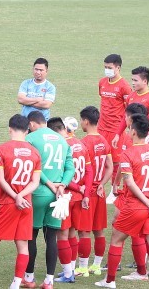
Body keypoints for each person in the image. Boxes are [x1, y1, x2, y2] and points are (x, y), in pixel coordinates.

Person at [95, 114, 149, 289]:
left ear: (134, 132)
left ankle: (109, 281)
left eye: (129, 128)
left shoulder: (128, 154)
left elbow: (129, 182)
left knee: (116, 240)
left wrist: (146, 202)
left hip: (135, 206)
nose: (128, 131)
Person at [0, 114, 42, 289]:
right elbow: (35, 182)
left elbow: (0, 179)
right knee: (22, 245)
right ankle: (15, 284)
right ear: (27, 129)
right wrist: (22, 196)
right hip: (26, 204)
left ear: (9, 129)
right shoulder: (34, 152)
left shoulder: (1, 150)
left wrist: (15, 196)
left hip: (7, 203)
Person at [24, 111, 75, 289]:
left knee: (31, 235)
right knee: (51, 237)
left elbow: (32, 167)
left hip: (38, 192)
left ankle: (29, 278)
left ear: (31, 124)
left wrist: (49, 183)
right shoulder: (63, 140)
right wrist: (62, 185)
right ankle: (49, 281)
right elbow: (70, 168)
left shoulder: (31, 138)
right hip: (58, 195)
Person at [51, 117, 93, 284]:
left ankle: (68, 273)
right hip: (79, 197)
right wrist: (86, 193)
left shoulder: (61, 146)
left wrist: (77, 188)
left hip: (66, 196)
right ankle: (72, 269)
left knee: (62, 235)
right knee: (72, 233)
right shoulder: (81, 144)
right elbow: (89, 171)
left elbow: (63, 174)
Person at [76, 106, 113, 277]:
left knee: (84, 230)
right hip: (100, 192)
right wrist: (102, 184)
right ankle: (97, 266)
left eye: (81, 120)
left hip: (88, 192)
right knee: (98, 230)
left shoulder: (84, 143)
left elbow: (82, 169)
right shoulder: (104, 141)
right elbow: (110, 167)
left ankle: (83, 267)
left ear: (86, 121)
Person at [97, 54, 132, 197]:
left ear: (118, 68)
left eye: (109, 68)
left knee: (116, 161)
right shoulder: (102, 82)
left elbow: (128, 108)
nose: (107, 70)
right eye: (105, 67)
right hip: (101, 127)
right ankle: (98, 185)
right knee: (100, 157)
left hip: (116, 129)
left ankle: (114, 189)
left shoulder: (124, 86)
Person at [112, 66, 149, 148]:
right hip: (132, 136)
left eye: (135, 80)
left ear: (145, 81)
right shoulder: (130, 96)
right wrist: (118, 134)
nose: (133, 83)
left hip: (145, 138)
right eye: (132, 80)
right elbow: (126, 116)